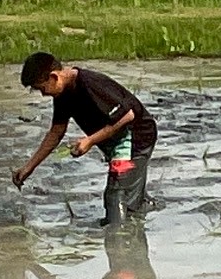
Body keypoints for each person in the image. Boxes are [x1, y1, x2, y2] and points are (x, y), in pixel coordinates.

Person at [13, 52, 158, 226]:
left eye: (42, 88)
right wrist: (29, 168)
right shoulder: (62, 95)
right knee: (128, 190)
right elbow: (56, 132)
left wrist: (90, 141)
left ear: (54, 76)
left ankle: (119, 237)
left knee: (116, 195)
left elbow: (127, 115)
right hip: (115, 142)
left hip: (135, 138)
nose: (43, 94)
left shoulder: (90, 83)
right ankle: (143, 210)